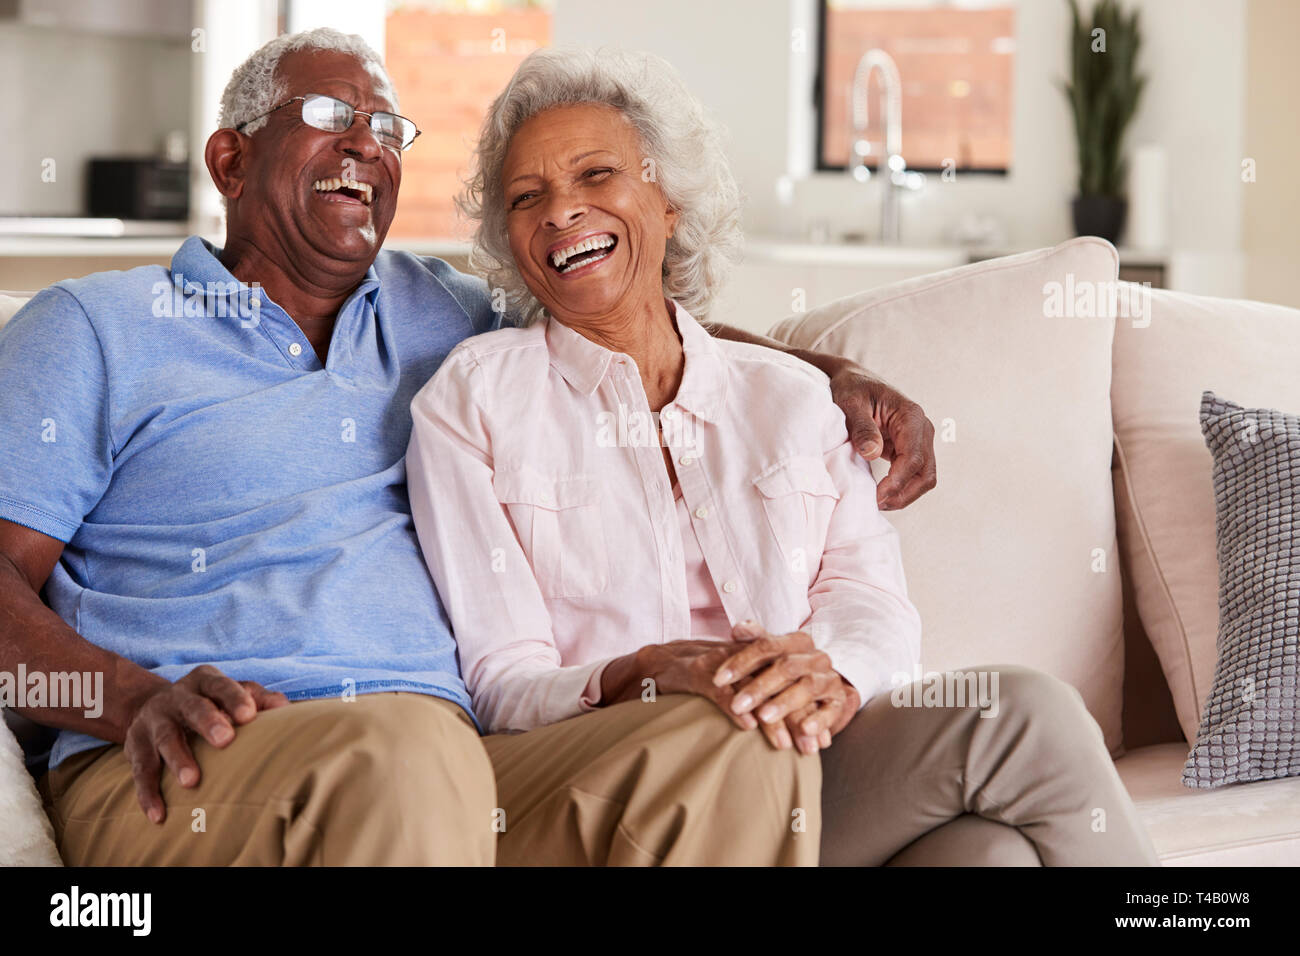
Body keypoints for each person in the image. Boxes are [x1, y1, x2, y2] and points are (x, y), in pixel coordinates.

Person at [0, 29, 935, 866]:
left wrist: (828, 376)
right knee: (407, 752)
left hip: (462, 766)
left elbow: (627, 316)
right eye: (329, 115)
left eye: (386, 126)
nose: (366, 142)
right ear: (230, 159)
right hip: (190, 768)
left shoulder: (442, 315)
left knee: (736, 735)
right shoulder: (94, 329)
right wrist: (128, 699)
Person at [406, 47, 1161, 866]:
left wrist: (827, 675)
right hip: (625, 781)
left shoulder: (792, 398)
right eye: (528, 198)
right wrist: (647, 673)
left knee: (987, 846)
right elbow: (504, 682)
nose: (561, 212)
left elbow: (871, 603)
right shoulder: (472, 402)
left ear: (670, 206)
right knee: (1004, 764)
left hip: (803, 762)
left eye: (596, 176)